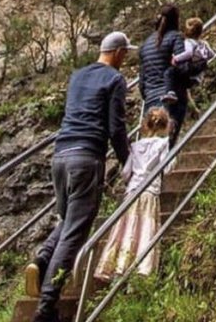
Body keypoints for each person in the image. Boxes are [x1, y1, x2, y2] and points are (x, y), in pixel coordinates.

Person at [26, 30, 136, 322]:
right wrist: (127, 162)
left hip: (60, 156)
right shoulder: (114, 79)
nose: (125, 59)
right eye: (125, 53)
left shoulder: (77, 76)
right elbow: (116, 127)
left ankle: (41, 259)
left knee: (67, 222)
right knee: (75, 233)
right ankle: (46, 308)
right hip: (86, 158)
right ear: (116, 52)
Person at [93, 107, 171, 281]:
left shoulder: (135, 146)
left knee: (126, 227)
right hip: (149, 191)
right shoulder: (163, 144)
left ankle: (116, 267)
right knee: (145, 228)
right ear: (166, 126)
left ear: (146, 125)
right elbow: (168, 166)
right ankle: (142, 269)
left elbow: (126, 172)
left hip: (132, 191)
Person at [138, 3, 186, 144]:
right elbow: (182, 66)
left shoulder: (146, 44)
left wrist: (146, 95)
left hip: (150, 98)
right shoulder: (176, 37)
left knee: (151, 143)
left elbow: (142, 78)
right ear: (176, 19)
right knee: (168, 144)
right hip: (171, 98)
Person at [166, 16, 216, 113]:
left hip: (190, 73)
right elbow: (212, 54)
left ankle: (170, 92)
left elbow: (188, 53)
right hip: (198, 75)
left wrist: (176, 58)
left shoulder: (189, 42)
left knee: (170, 72)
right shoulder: (204, 43)